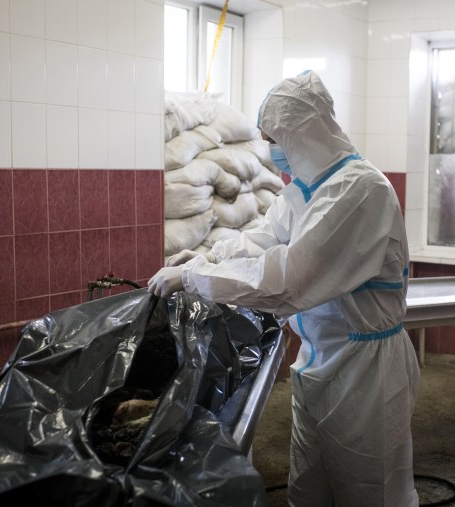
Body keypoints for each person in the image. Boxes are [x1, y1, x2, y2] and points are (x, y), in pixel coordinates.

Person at [149, 71, 420, 507]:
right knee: (310, 488)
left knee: (368, 492)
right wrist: (207, 259)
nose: (269, 147)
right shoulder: (311, 191)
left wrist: (197, 281)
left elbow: (290, 280)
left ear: (302, 134)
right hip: (318, 360)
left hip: (364, 372)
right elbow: (263, 238)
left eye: (273, 136)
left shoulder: (359, 192)